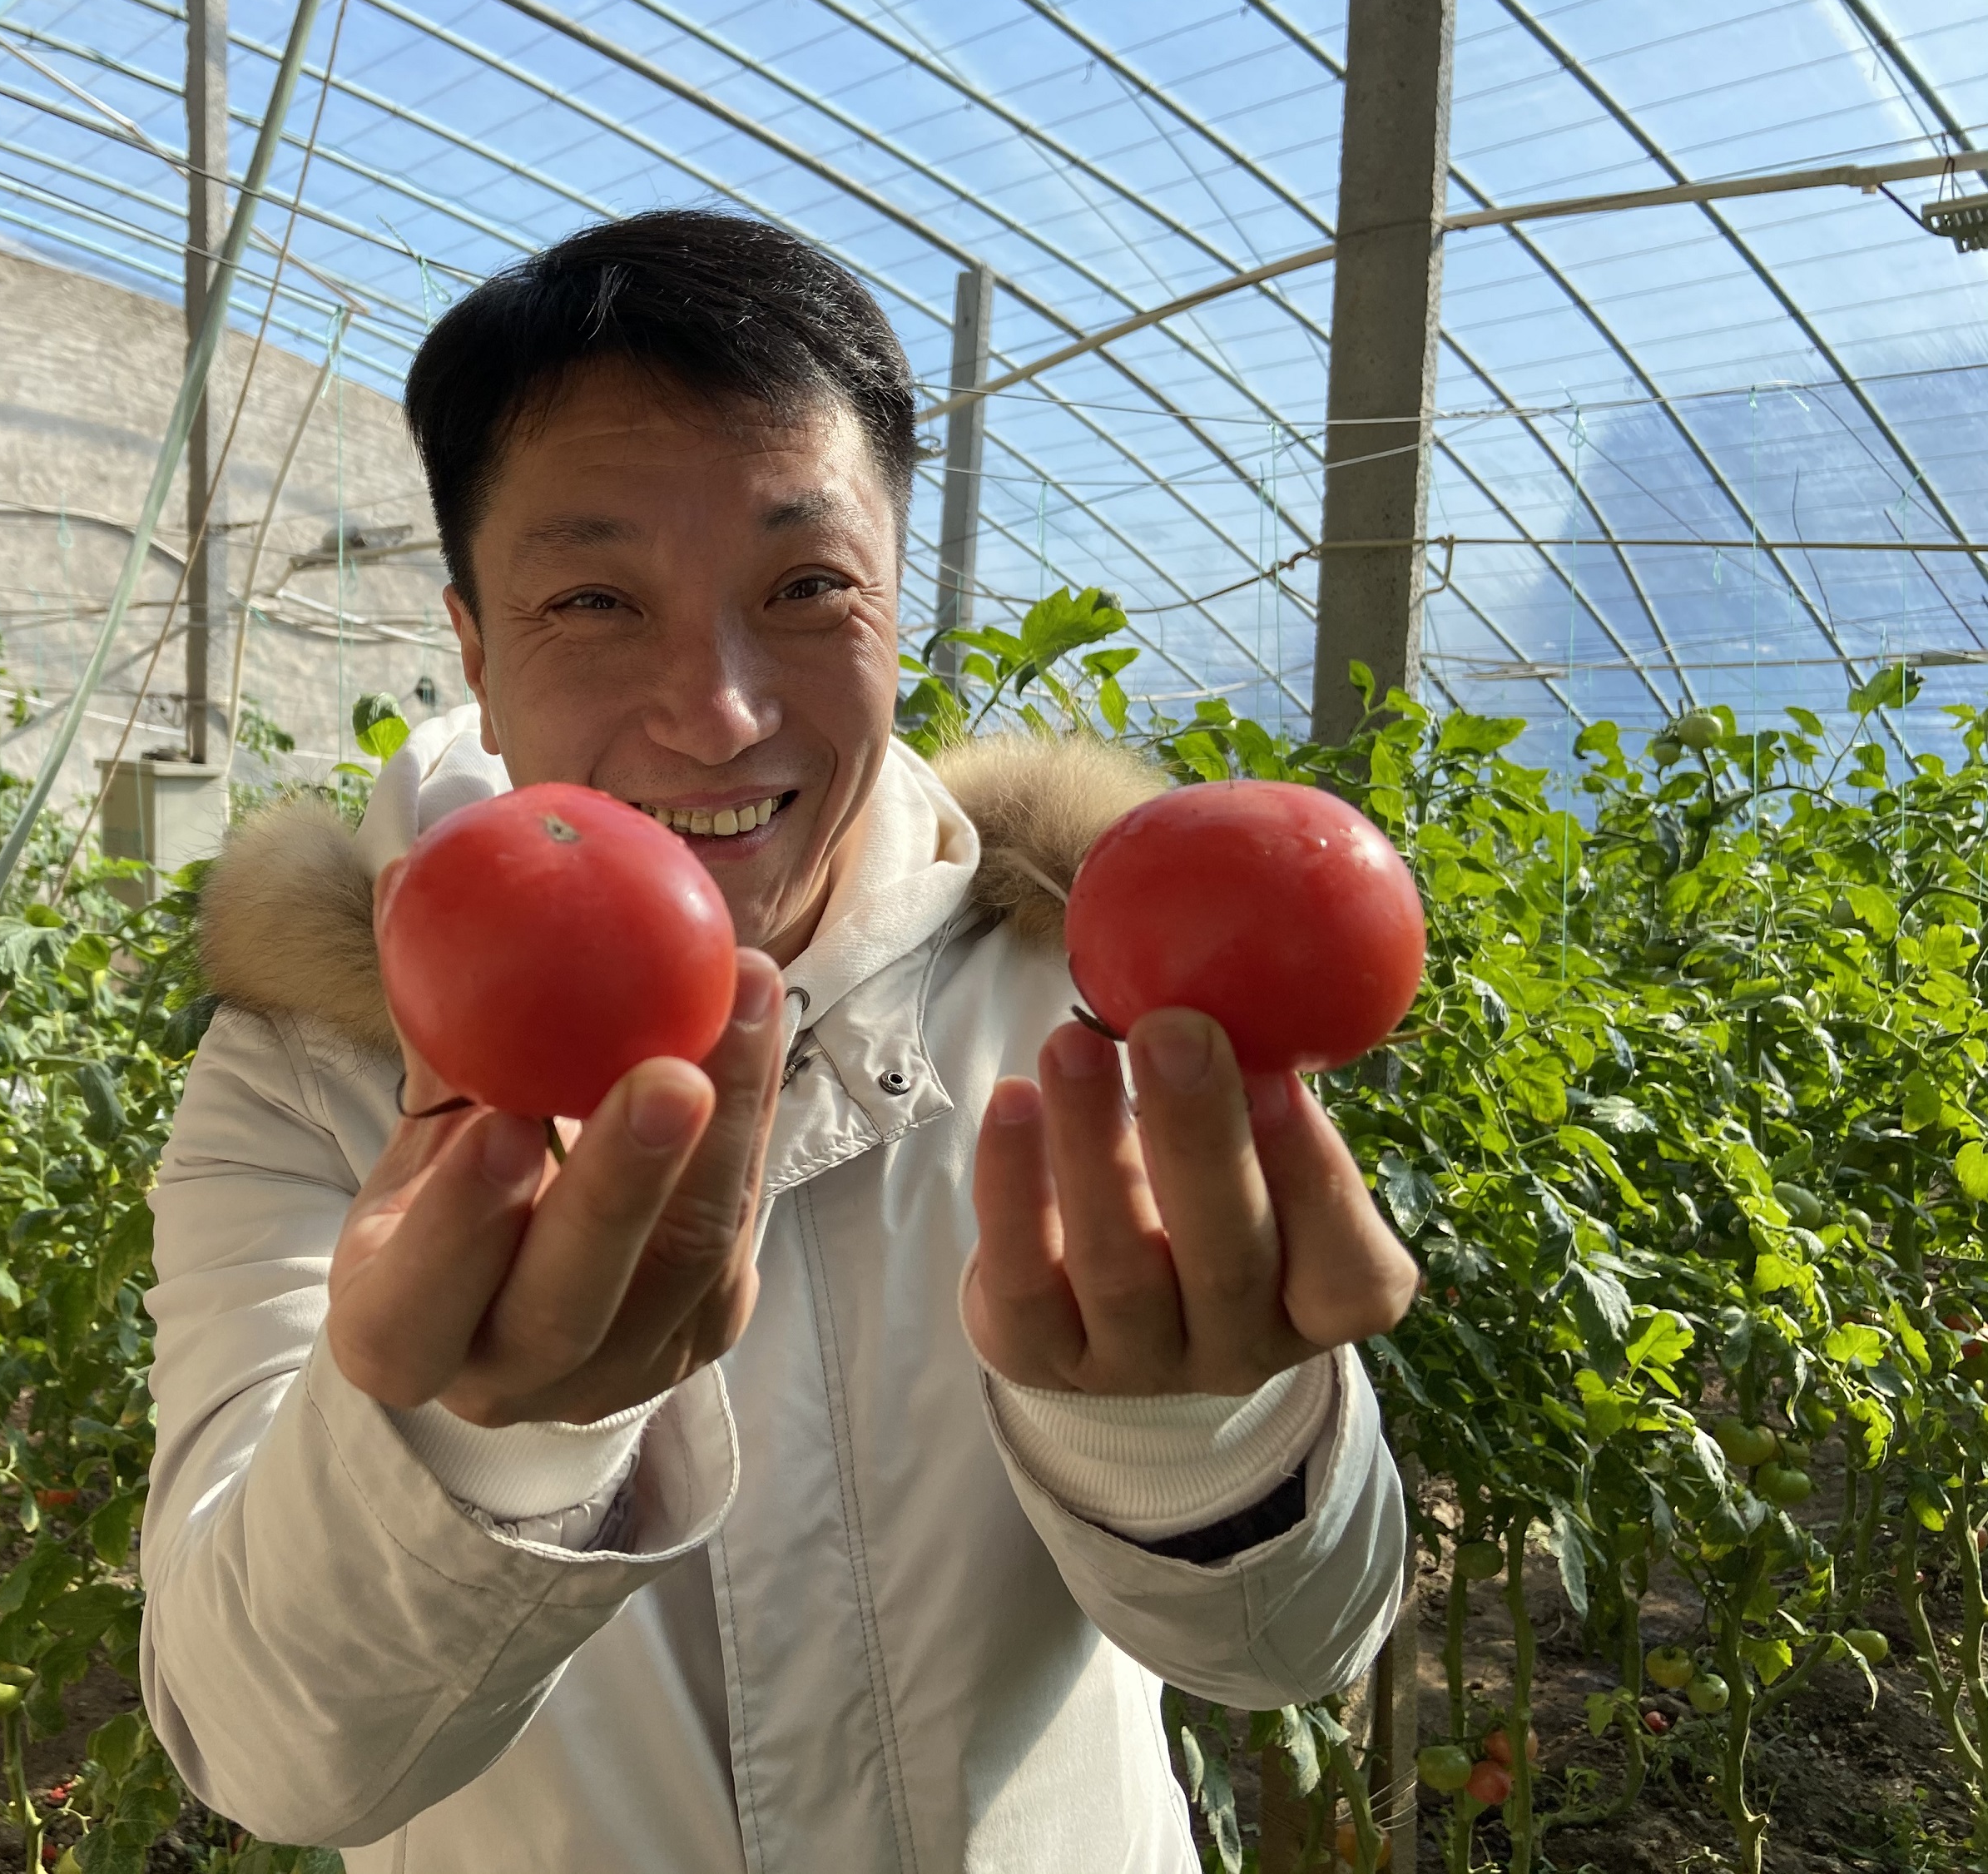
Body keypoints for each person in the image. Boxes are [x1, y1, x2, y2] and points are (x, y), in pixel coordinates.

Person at [140, 211, 1418, 1874]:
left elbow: (1291, 1649)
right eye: (595, 599)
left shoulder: (1085, 1006)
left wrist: (1195, 1432)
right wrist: (482, 1440)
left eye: (806, 586)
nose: (721, 709)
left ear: (900, 599)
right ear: (468, 639)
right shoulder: (304, 1076)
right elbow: (266, 1750)